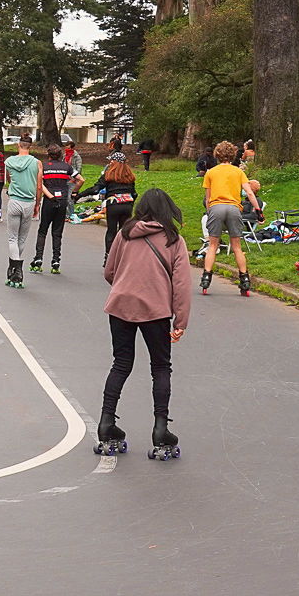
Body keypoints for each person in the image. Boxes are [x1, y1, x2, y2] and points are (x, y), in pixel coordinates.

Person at [95, 187, 192, 461]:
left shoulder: (125, 233)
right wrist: (180, 320)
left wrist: (127, 288)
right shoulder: (174, 240)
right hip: (156, 310)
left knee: (121, 363)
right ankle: (161, 429)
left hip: (121, 305)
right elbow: (182, 285)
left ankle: (106, 422)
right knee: (160, 367)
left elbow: (109, 271)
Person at [199, 141, 258, 297]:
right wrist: (258, 210)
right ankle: (244, 280)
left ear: (217, 155)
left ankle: (206, 278)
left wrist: (209, 212)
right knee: (237, 246)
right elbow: (250, 193)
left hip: (216, 207)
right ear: (232, 155)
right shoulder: (238, 172)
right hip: (233, 208)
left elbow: (208, 198)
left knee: (212, 245)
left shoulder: (211, 172)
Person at [1, 135, 40, 288]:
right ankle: (16, 269)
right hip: (29, 202)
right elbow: (39, 185)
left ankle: (15, 269)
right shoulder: (37, 163)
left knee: (12, 238)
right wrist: (37, 204)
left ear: (19, 145)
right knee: (22, 239)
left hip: (15, 200)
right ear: (30, 146)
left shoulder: (9, 162)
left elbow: (8, 179)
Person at [84, 154, 138, 262]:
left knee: (111, 232)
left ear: (115, 161)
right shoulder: (129, 176)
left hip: (113, 205)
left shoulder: (108, 174)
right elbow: (134, 194)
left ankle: (108, 257)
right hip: (127, 205)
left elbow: (95, 189)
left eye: (111, 160)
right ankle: (123, 257)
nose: (109, 163)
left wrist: (80, 195)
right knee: (124, 232)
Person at [31, 144, 73, 274]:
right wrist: (72, 191)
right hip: (62, 200)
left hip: (49, 200)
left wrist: (41, 201)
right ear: (61, 155)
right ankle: (56, 261)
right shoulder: (67, 167)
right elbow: (80, 179)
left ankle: (38, 258)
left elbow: (39, 185)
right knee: (57, 232)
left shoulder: (44, 167)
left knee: (43, 230)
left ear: (48, 155)